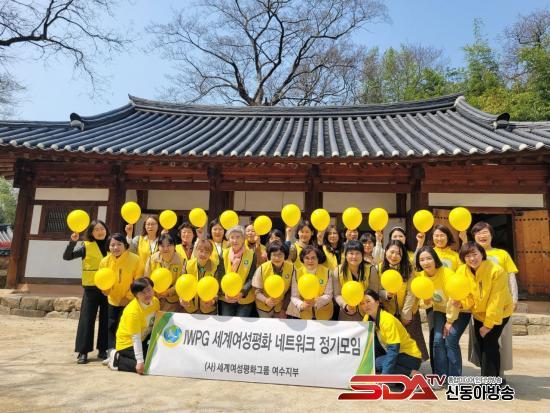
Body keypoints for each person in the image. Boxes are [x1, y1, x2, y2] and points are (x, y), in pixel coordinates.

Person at [457, 242, 513, 378]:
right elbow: (468, 295)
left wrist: (488, 325)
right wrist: (461, 304)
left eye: (475, 254)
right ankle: (493, 378)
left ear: (482, 254)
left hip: (499, 313)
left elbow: (496, 300)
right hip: (478, 314)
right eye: (467, 256)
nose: (472, 258)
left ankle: (490, 382)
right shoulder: (462, 271)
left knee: (489, 345)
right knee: (482, 346)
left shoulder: (496, 271)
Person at [469, 221, 517, 376]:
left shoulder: (502, 254)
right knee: (484, 343)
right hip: (480, 308)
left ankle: (498, 376)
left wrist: (515, 298)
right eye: (478, 233)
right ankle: (490, 376)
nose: (482, 236)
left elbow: (511, 276)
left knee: (498, 342)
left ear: (491, 235)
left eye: (485, 232)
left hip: (501, 305)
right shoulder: (471, 256)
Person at [416, 246, 470, 378]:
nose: (426, 262)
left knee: (451, 339)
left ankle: (454, 378)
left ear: (435, 259)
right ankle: (440, 377)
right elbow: (421, 301)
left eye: (429, 258)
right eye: (422, 260)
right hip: (440, 310)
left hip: (460, 310)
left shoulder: (447, 274)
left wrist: (449, 321)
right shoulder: (420, 277)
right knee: (437, 340)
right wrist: (426, 301)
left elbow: (454, 299)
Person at [63, 220, 110, 364]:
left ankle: (103, 349)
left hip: (109, 288)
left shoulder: (112, 245)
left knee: (106, 319)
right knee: (87, 320)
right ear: (91, 233)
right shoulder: (86, 246)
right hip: (91, 288)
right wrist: (72, 242)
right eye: (97, 229)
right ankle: (83, 351)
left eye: (102, 228)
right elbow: (67, 256)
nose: (100, 231)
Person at [379, 240, 429, 360]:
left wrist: (406, 313)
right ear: (386, 252)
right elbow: (376, 289)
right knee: (392, 342)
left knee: (411, 341)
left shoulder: (409, 268)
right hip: (388, 312)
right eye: (392, 252)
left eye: (398, 253)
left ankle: (413, 364)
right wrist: (386, 294)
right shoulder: (379, 268)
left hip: (408, 311)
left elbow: (411, 292)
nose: (394, 256)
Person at [98, 233, 144, 357]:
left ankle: (125, 354)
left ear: (125, 245)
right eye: (112, 245)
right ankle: (111, 353)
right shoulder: (105, 261)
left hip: (130, 301)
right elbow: (102, 279)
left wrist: (128, 297)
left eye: (119, 244)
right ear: (108, 246)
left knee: (127, 327)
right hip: (112, 300)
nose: (116, 247)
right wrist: (104, 290)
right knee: (111, 326)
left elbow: (138, 280)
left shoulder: (135, 259)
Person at [363, 289, 422, 376]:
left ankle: (411, 373)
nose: (366, 305)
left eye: (368, 301)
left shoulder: (387, 320)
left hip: (411, 357)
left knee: (377, 363)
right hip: (396, 355)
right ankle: (400, 374)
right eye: (362, 303)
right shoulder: (367, 318)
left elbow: (393, 349)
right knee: (373, 362)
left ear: (377, 302)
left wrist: (384, 376)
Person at [107, 277, 159, 374]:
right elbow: (136, 338)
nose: (147, 294)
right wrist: (140, 361)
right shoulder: (133, 311)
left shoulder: (155, 302)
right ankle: (117, 359)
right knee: (146, 366)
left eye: (149, 290)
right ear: (136, 295)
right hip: (127, 343)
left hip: (143, 339)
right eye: (142, 293)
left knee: (156, 358)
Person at [333, 240, 380, 321]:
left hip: (367, 312)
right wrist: (346, 306)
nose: (354, 256)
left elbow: (374, 293)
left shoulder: (371, 269)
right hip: (346, 313)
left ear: (362, 255)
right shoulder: (338, 271)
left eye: (357, 253)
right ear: (346, 255)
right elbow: (337, 294)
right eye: (351, 253)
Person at [219, 226, 257, 317]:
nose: (235, 240)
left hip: (244, 298)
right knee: (227, 323)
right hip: (227, 298)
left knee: (240, 324)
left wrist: (242, 293)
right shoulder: (224, 253)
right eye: (232, 237)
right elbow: (220, 275)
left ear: (243, 239)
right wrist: (224, 292)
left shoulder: (251, 254)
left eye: (238, 237)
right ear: (228, 240)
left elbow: (252, 277)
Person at [286, 245, 333, 320]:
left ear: (318, 259)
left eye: (313, 258)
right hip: (303, 313)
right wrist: (301, 304)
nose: (310, 261)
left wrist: (317, 301)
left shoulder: (327, 272)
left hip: (323, 312)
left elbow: (329, 295)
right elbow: (294, 296)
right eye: (307, 258)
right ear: (303, 259)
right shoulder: (297, 273)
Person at [252, 241, 294, 318]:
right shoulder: (262, 268)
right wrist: (266, 300)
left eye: (280, 255)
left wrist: (284, 309)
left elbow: (291, 291)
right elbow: (257, 291)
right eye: (274, 255)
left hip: (281, 307)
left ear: (285, 255)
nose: (277, 258)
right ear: (269, 256)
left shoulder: (292, 268)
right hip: (264, 307)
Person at [144, 233, 183, 312]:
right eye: (162, 246)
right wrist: (153, 292)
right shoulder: (152, 259)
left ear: (174, 246)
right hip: (154, 298)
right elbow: (146, 278)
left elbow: (181, 282)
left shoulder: (181, 261)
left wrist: (168, 292)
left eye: (169, 245)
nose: (165, 249)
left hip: (172, 302)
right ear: (158, 247)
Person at [181, 239, 218, 315]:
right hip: (190, 307)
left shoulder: (215, 267)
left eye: (207, 252)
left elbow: (218, 289)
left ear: (210, 254)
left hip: (208, 310)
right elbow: (182, 284)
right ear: (196, 251)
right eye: (201, 251)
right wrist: (182, 298)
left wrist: (213, 301)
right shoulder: (188, 264)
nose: (203, 254)